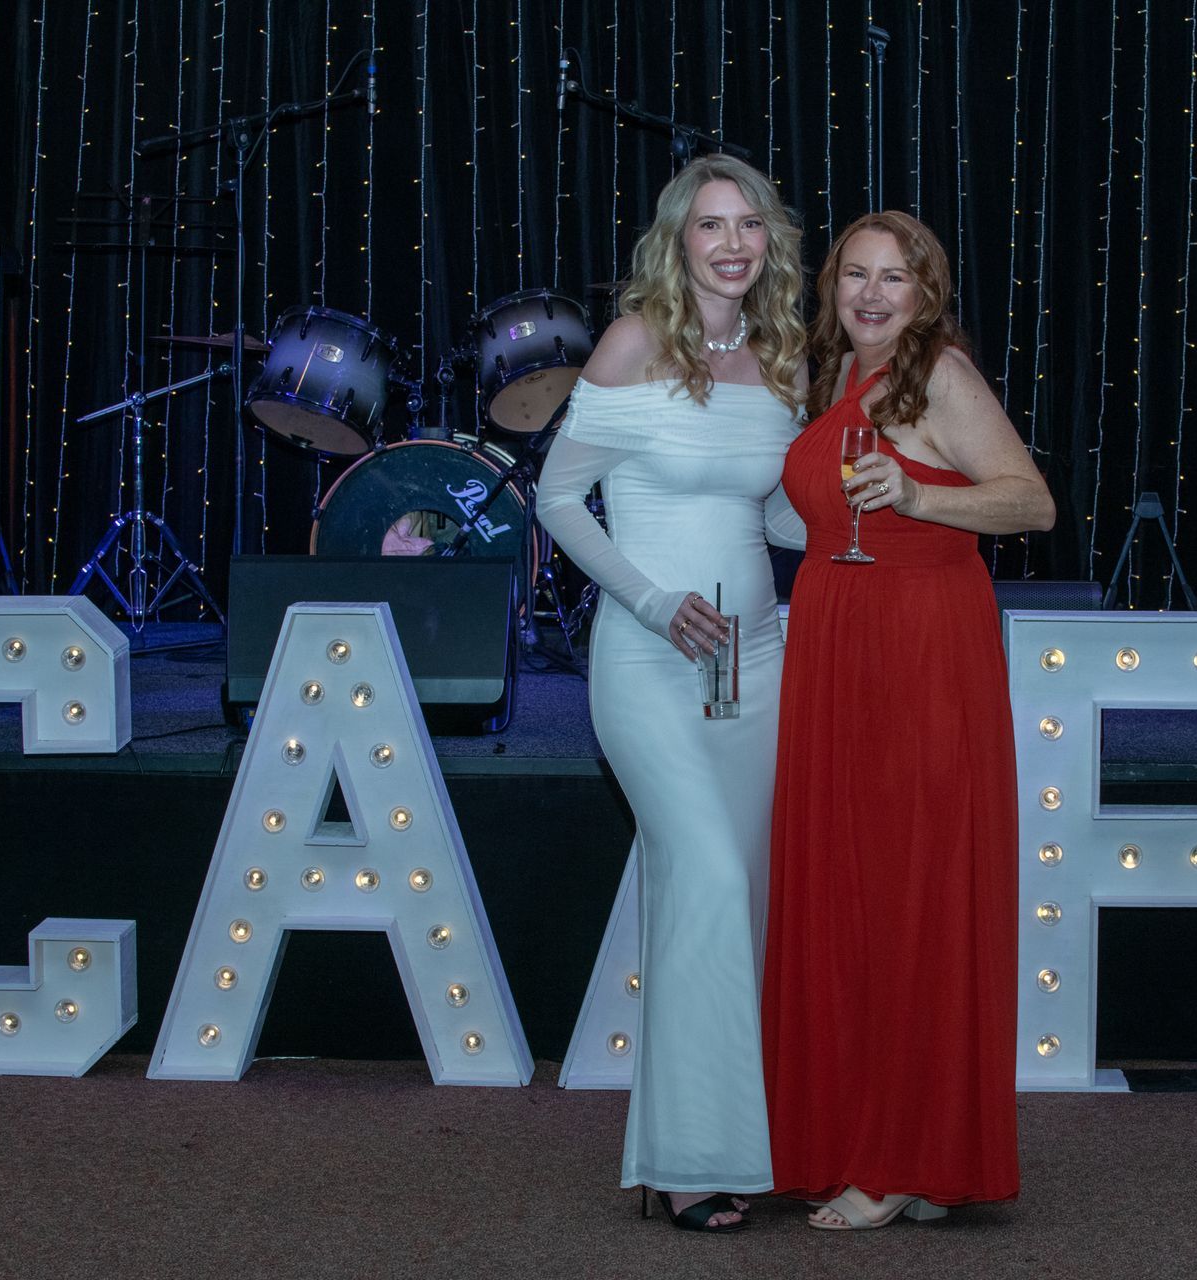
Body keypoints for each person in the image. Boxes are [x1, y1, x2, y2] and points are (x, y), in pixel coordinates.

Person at [762, 211, 1055, 1230]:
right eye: (856, 275)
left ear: (927, 294)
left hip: (922, 659)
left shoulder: (941, 377)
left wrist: (922, 501)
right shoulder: (833, 377)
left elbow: (1032, 504)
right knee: (857, 895)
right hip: (838, 649)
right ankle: (916, 1150)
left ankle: (891, 1162)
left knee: (907, 893)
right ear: (832, 287)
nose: (873, 294)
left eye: (896, 278)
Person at [534, 154, 808, 1233]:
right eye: (711, 226)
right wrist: (652, 603)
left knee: (738, 902)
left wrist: (870, 527)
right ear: (678, 242)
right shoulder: (636, 342)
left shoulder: (783, 357)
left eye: (749, 224)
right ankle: (692, 1158)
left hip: (760, 666)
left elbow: (779, 522)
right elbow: (558, 498)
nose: (732, 242)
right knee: (701, 873)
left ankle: (710, 1144)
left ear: (769, 242)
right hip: (649, 664)